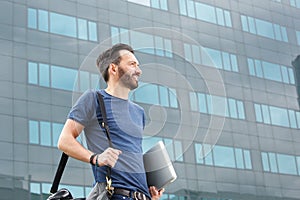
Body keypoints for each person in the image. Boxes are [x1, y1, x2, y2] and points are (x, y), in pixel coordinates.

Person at [58, 43, 164, 200]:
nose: (138, 71)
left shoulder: (139, 112)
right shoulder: (94, 99)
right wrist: (96, 158)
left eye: (138, 65)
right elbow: (64, 141)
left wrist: (148, 194)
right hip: (114, 194)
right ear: (113, 68)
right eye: (132, 64)